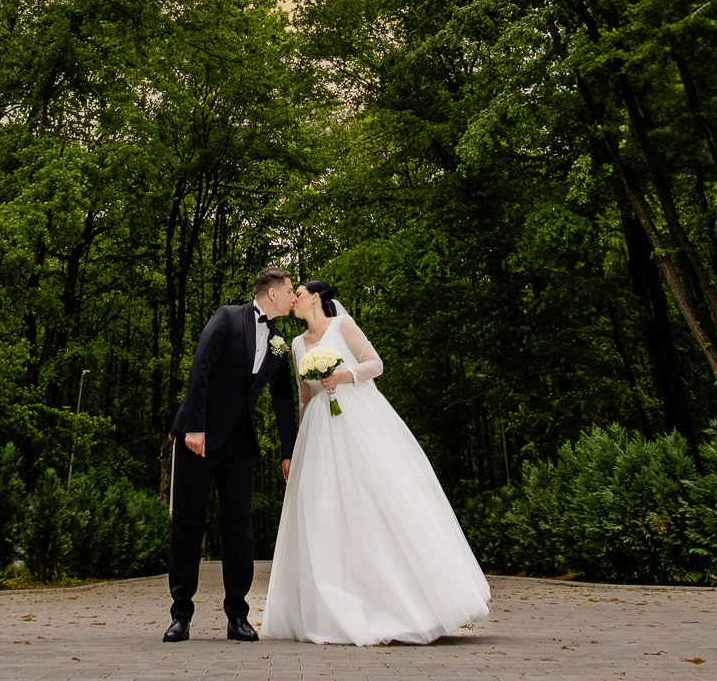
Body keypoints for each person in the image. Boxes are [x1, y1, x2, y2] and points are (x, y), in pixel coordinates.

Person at [261, 280, 491, 646]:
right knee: (325, 513)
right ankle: (333, 604)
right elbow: (304, 396)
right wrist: (296, 447)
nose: (294, 300)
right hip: (319, 430)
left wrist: (343, 376)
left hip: (357, 417)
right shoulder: (295, 345)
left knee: (374, 501)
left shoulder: (342, 326)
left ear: (316, 298)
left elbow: (376, 364)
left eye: (299, 294)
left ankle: (402, 603)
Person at [164, 267, 299, 642]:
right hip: (200, 438)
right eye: (289, 290)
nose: (293, 297)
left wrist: (289, 450)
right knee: (188, 524)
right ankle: (181, 614)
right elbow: (201, 369)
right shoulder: (226, 317)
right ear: (271, 294)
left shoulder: (279, 341)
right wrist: (194, 426)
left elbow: (284, 400)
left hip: (240, 443)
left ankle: (237, 615)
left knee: (240, 528)